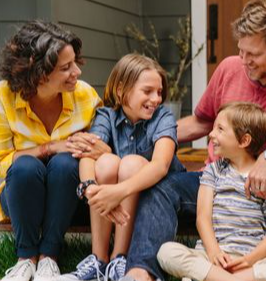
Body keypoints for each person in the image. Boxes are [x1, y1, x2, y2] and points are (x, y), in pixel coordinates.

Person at [122, 0, 266, 280]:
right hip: (216, 185)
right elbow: (201, 122)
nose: (244, 61)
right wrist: (138, 139)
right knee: (160, 185)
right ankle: (139, 270)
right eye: (240, 51)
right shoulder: (230, 68)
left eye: (253, 54)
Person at [0, 20, 105, 281]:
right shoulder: (0, 97)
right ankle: (25, 258)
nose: (77, 73)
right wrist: (48, 147)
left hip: (68, 193)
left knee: (65, 163)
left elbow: (103, 151)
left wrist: (90, 147)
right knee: (26, 166)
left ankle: (49, 257)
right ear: (38, 73)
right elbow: (0, 162)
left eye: (75, 63)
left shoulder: (86, 96)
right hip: (22, 193)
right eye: (65, 68)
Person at [60, 53, 185, 281]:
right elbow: (88, 154)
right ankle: (99, 260)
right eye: (147, 91)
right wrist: (91, 189)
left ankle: (121, 257)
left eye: (159, 92)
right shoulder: (106, 116)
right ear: (121, 90)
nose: (156, 99)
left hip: (155, 196)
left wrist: (118, 191)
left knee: (131, 163)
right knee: (106, 162)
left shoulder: (163, 117)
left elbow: (160, 166)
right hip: (116, 197)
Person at [157, 102, 266, 281]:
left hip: (253, 262)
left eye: (220, 129)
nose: (211, 134)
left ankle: (220, 278)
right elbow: (202, 218)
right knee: (166, 252)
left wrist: (249, 261)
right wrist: (214, 252)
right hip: (212, 258)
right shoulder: (213, 171)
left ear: (244, 141)